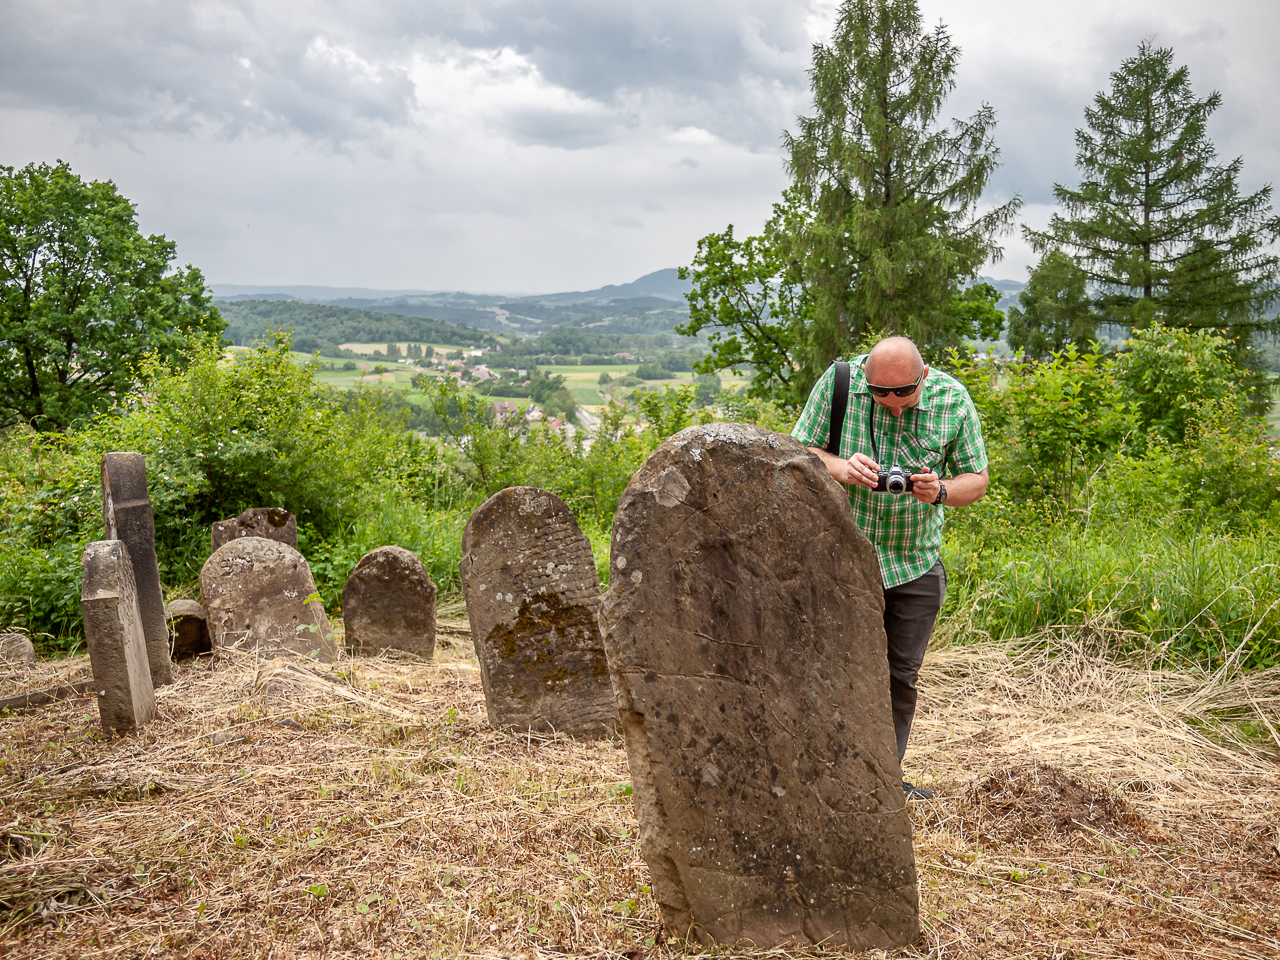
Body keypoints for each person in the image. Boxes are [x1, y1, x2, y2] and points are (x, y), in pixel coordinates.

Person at [791, 337, 988, 800]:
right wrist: (840, 467)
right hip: (840, 559)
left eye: (904, 394)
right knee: (829, 668)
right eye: (882, 394)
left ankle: (880, 778)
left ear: (922, 378)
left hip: (914, 562)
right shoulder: (840, 384)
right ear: (866, 380)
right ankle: (821, 772)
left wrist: (939, 491)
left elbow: (976, 481)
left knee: (900, 676)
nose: (893, 405)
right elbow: (796, 451)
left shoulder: (952, 399)